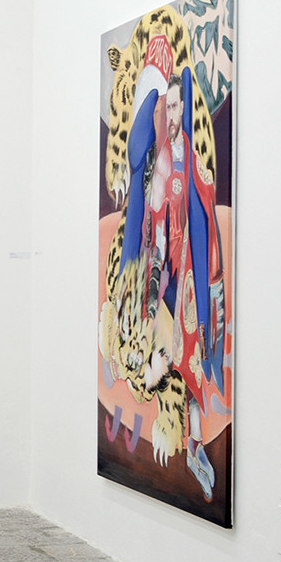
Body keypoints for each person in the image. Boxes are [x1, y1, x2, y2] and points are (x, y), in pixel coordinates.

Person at [112, 33, 225, 496]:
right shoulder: (158, 160)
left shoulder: (190, 163)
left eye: (178, 107)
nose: (173, 115)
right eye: (169, 107)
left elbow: (198, 216)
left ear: (185, 109)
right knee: (166, 355)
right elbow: (150, 222)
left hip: (184, 277)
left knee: (189, 363)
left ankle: (193, 447)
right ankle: (179, 423)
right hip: (162, 276)